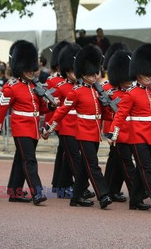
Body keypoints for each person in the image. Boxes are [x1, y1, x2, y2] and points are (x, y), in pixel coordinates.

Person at [44, 45, 113, 209]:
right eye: (91, 74)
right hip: (83, 132)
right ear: (83, 73)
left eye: (95, 73)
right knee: (93, 164)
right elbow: (62, 110)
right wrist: (50, 126)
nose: (94, 76)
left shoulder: (97, 91)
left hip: (95, 132)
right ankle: (103, 194)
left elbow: (105, 114)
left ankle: (76, 197)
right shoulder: (76, 91)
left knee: (83, 166)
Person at [0, 41, 57, 205]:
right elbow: (1, 109)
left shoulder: (35, 86)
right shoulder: (11, 87)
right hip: (21, 127)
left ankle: (14, 192)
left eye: (32, 68)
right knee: (30, 160)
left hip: (33, 127)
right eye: (27, 69)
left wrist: (51, 105)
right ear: (20, 68)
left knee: (20, 159)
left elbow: (42, 109)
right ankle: (37, 192)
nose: (31, 72)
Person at [106, 43, 151, 213]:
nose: (148, 77)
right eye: (145, 74)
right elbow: (120, 115)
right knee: (146, 168)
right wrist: (114, 133)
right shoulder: (131, 94)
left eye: (149, 74)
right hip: (137, 136)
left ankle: (135, 200)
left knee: (142, 170)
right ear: (138, 75)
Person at [45, 41, 74, 196]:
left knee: (63, 153)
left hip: (70, 122)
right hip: (60, 122)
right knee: (66, 154)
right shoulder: (52, 81)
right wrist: (50, 125)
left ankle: (58, 183)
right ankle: (63, 185)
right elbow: (51, 105)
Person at [101, 42, 129, 202]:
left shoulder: (128, 89)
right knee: (117, 158)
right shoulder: (107, 88)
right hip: (113, 127)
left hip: (127, 127)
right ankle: (109, 189)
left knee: (116, 159)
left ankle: (112, 188)